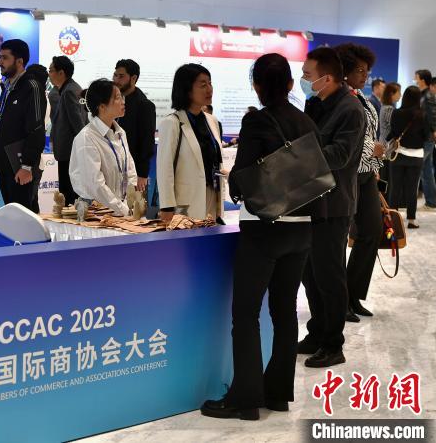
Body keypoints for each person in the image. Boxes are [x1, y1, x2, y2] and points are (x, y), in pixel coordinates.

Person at [201, 53, 320, 421]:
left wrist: (234, 185)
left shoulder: (256, 121)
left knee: (246, 314)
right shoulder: (306, 121)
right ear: (290, 84)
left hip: (264, 228)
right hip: (302, 227)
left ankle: (246, 398)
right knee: (285, 312)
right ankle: (278, 393)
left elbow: (242, 177)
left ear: (256, 85)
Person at [297, 47, 366, 368]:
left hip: (334, 205)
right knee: (310, 274)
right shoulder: (316, 104)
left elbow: (340, 155)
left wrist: (297, 156)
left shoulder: (351, 110)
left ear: (326, 78)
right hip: (310, 200)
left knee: (329, 275)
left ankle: (333, 344)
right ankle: (317, 332)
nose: (303, 79)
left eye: (307, 75)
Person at [334, 43, 384, 322]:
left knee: (372, 231)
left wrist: (375, 164)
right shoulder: (337, 99)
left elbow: (370, 135)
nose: (365, 75)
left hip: (366, 175)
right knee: (339, 239)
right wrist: (371, 151)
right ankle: (339, 300)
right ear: (345, 71)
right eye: (360, 70)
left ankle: (353, 294)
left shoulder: (362, 98)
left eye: (367, 70)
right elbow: (345, 140)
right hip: (346, 175)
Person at [157, 64, 224, 222]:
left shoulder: (212, 121)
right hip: (185, 204)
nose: (209, 89)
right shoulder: (172, 123)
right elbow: (165, 169)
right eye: (203, 85)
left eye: (210, 83)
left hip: (212, 196)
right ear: (187, 89)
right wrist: (167, 207)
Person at [0, 39, 46, 212]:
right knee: (11, 216)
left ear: (20, 61)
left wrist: (27, 166)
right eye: (0, 57)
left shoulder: (32, 87)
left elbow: (36, 129)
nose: (0, 62)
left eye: (5, 58)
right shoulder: (8, 87)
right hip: (4, 164)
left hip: (20, 166)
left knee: (24, 218)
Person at [69, 79, 137, 216]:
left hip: (122, 208)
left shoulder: (120, 133)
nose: (123, 102)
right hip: (97, 212)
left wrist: (130, 202)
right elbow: (95, 184)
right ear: (102, 106)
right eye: (117, 98)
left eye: (122, 97)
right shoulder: (87, 137)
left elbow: (130, 170)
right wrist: (122, 209)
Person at [113, 59, 156, 193]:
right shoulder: (111, 101)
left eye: (121, 76)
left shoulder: (144, 105)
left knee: (133, 204)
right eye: (115, 75)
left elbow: (147, 142)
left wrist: (142, 174)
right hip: (112, 167)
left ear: (133, 78)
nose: (116, 80)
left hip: (133, 170)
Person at [387, 86, 426, 228]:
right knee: (412, 189)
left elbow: (393, 132)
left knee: (395, 188)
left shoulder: (396, 112)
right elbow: (427, 136)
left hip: (399, 154)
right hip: (416, 156)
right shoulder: (423, 114)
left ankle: (392, 219)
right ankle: (411, 220)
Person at [49, 55, 85, 204]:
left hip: (69, 152)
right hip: (69, 151)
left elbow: (78, 124)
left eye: (51, 70)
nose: (49, 74)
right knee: (69, 193)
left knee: (68, 195)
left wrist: (82, 149)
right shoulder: (71, 88)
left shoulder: (69, 91)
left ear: (61, 73)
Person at [414, 69, 436, 210]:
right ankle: (431, 202)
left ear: (422, 80)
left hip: (426, 138)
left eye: (416, 78)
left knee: (418, 169)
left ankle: (424, 202)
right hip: (425, 137)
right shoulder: (424, 95)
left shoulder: (428, 96)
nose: (415, 80)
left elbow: (432, 116)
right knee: (427, 171)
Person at [378, 82, 402, 193]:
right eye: (399, 92)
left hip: (386, 146)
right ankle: (385, 201)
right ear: (392, 94)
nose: (400, 95)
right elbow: (394, 127)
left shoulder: (387, 107)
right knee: (386, 178)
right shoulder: (389, 109)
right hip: (387, 148)